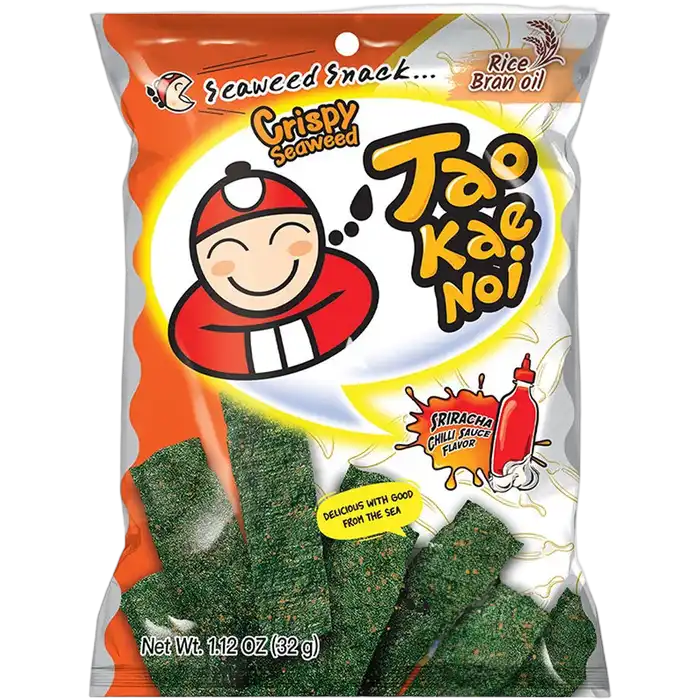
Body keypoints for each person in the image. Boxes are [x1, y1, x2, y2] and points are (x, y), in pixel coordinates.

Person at [169, 161, 378, 379]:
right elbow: (194, 342)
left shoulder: (342, 280)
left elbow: (357, 297)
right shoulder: (201, 317)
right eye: (229, 259)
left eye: (291, 243)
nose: (262, 266)